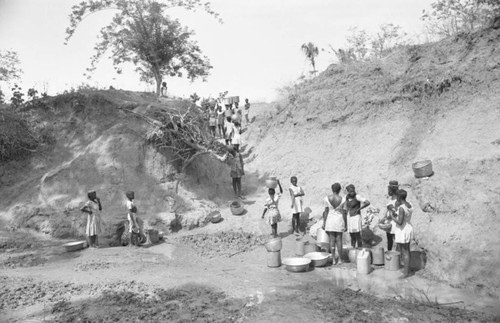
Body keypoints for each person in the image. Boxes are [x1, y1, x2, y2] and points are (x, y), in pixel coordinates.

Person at [389, 189, 414, 278]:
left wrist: (392, 217)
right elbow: (404, 217)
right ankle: (407, 269)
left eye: (397, 197)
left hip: (402, 229)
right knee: (407, 250)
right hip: (408, 227)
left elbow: (399, 222)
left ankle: (406, 273)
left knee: (405, 252)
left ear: (399, 197)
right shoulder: (410, 204)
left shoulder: (401, 207)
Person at [322, 183, 347, 265]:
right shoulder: (343, 199)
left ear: (332, 189)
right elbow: (344, 212)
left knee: (331, 240)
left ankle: (333, 259)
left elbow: (326, 211)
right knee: (339, 240)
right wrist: (346, 224)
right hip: (339, 220)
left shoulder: (326, 198)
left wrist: (324, 222)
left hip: (330, 220)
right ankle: (340, 259)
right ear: (339, 190)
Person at [342, 184, 370, 249]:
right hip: (349, 217)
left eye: (353, 191)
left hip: (356, 217)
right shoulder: (346, 197)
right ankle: (353, 249)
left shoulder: (357, 196)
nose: (352, 192)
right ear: (348, 192)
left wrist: (359, 209)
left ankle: (360, 249)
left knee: (357, 235)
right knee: (351, 235)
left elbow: (367, 202)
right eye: (350, 191)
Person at [383, 180, 399, 251]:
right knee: (389, 239)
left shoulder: (397, 200)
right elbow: (388, 210)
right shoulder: (391, 199)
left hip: (395, 223)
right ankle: (389, 254)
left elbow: (397, 212)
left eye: (389, 189)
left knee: (397, 240)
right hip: (389, 222)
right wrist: (384, 218)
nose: (388, 191)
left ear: (393, 190)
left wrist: (390, 216)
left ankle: (397, 256)